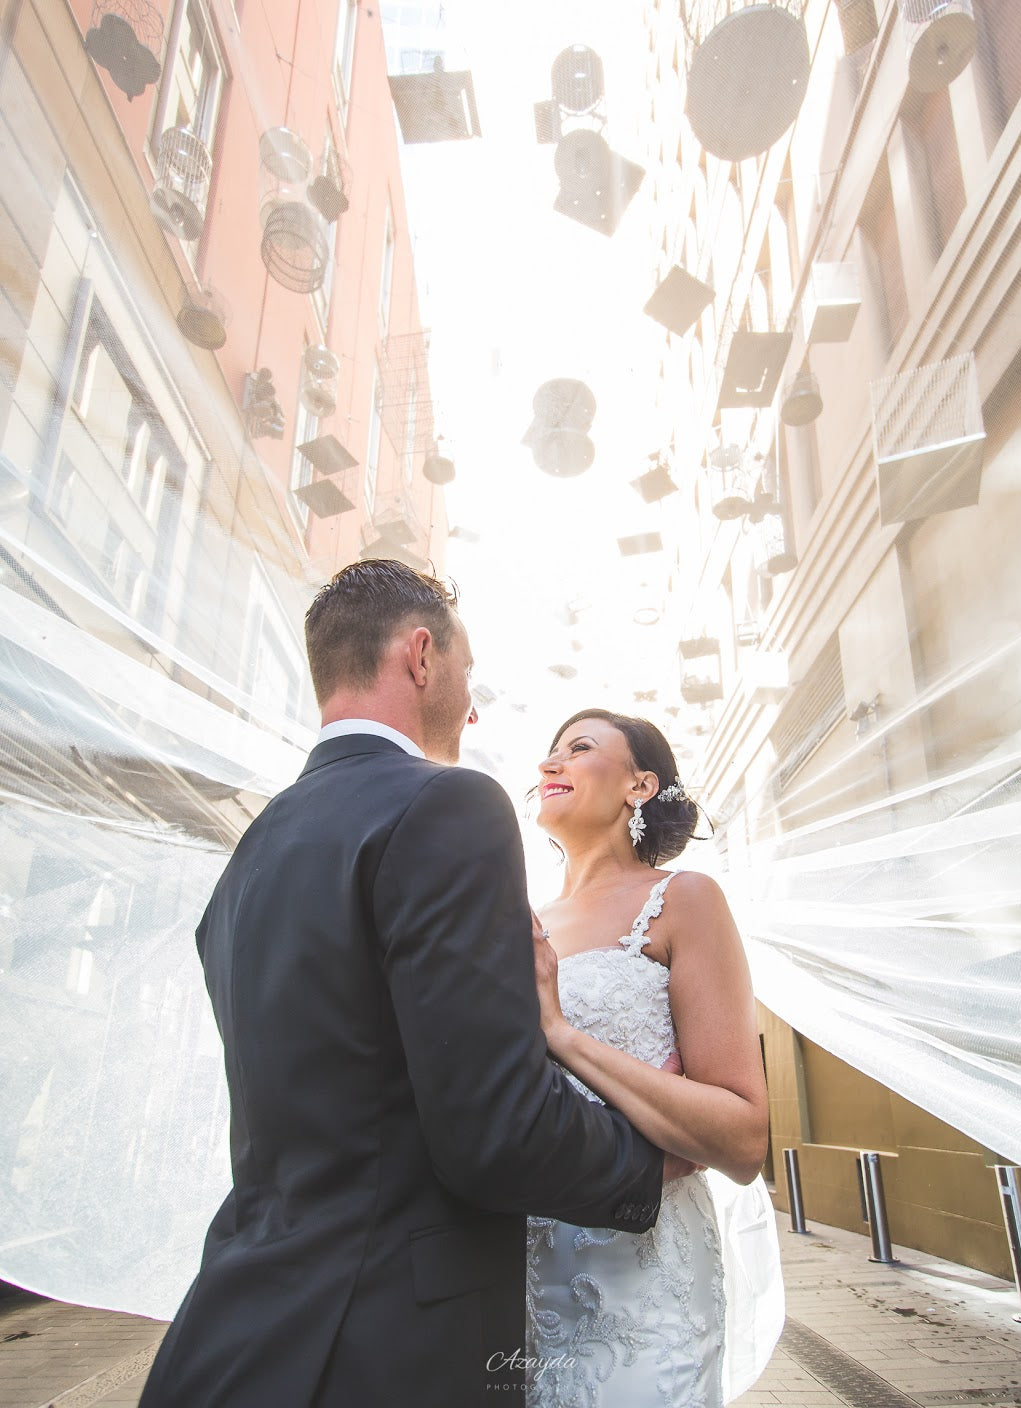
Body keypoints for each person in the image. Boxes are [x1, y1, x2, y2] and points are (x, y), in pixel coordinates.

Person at [137, 561, 694, 1408]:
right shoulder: (446, 806)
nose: (471, 709)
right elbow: (494, 1130)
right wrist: (653, 1159)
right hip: (390, 1346)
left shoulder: (250, 857)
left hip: (237, 1333)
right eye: (467, 675)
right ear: (421, 655)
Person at [525, 708, 781, 1406]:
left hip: (646, 1273)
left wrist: (563, 1034)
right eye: (549, 752)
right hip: (525, 1267)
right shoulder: (519, 920)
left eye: (578, 748)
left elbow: (742, 1136)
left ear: (640, 784)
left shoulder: (682, 900)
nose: (550, 764)